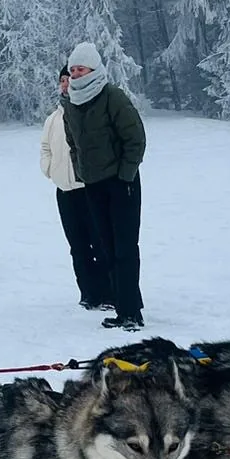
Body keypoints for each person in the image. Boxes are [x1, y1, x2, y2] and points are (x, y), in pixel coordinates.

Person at [60, 41, 147, 332]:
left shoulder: (112, 97)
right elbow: (73, 144)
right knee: (107, 249)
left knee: (124, 248)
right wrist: (81, 172)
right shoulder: (70, 103)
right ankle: (122, 308)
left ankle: (132, 312)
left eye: (80, 68)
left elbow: (135, 139)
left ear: (94, 69)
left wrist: (125, 175)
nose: (75, 74)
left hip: (122, 184)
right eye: (72, 70)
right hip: (93, 185)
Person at [40, 65, 111, 310]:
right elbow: (45, 148)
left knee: (99, 243)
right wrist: (50, 169)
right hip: (64, 191)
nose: (65, 84)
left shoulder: (87, 112)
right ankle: (88, 293)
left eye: (68, 79)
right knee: (77, 247)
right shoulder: (53, 119)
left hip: (89, 188)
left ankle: (107, 293)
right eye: (61, 80)